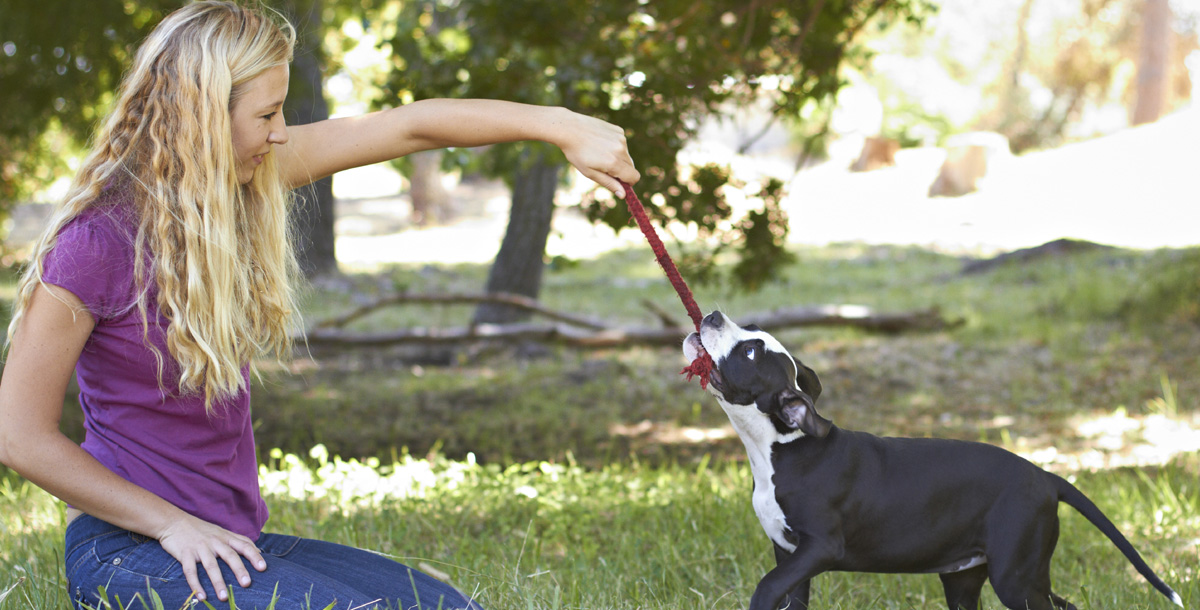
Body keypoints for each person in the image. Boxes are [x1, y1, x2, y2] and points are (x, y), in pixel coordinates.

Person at [0, 2, 639, 609]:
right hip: (129, 551)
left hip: (229, 545)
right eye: (267, 114)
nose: (280, 134)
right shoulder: (93, 243)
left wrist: (558, 124)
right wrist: (171, 525)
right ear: (199, 116)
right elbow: (19, 436)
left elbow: (409, 124)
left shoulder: (238, 179)